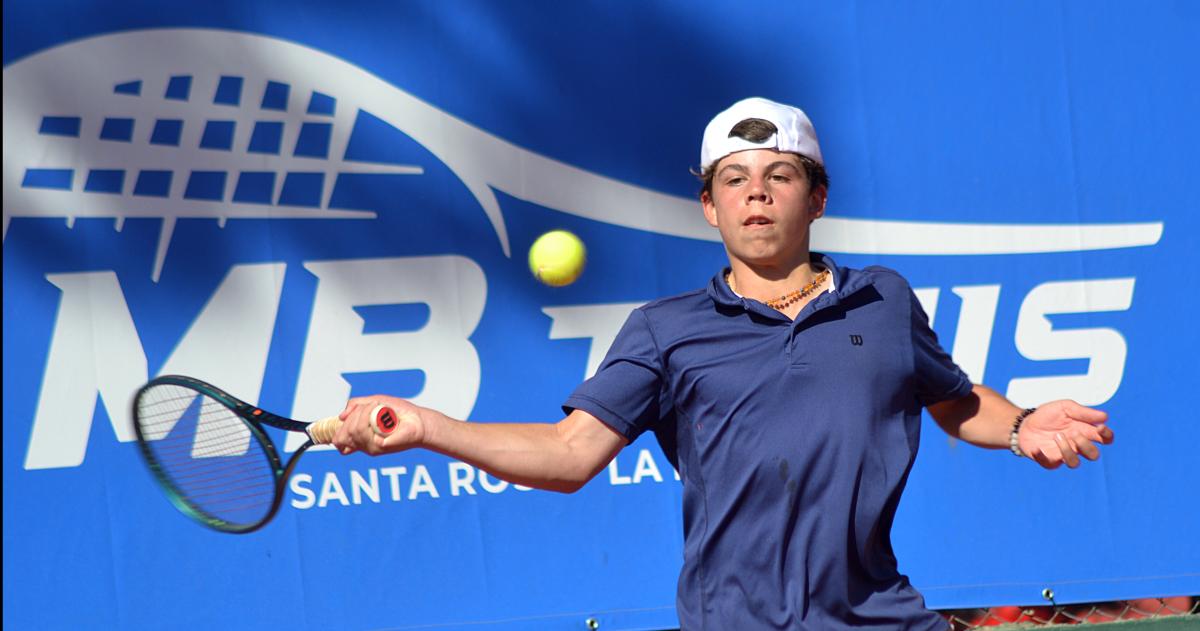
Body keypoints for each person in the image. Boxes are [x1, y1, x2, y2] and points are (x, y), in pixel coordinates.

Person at [331, 97, 1115, 630]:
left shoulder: (883, 299)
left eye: (780, 176)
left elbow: (953, 400)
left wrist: (1021, 424)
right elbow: (568, 456)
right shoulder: (665, 331)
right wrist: (429, 426)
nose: (756, 195)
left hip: (882, 616)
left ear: (817, 198)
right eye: (734, 180)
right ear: (710, 207)